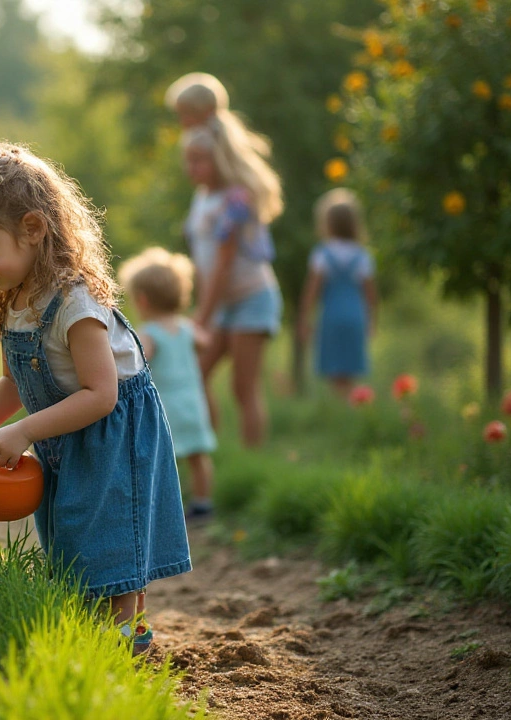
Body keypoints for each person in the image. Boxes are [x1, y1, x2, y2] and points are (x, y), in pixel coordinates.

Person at [0, 141, 190, 656]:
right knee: (73, 540)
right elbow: (12, 383)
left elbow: (101, 394)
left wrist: (26, 430)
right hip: (64, 437)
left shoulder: (76, 303)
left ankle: (129, 646)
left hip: (112, 436)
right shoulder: (14, 301)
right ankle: (92, 637)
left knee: (114, 546)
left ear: (32, 229)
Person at [181, 114, 284, 449]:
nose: (191, 168)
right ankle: (209, 452)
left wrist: (202, 318)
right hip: (221, 302)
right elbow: (204, 262)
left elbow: (223, 266)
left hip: (251, 298)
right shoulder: (201, 198)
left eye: (199, 160)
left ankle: (253, 457)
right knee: (196, 375)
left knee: (244, 386)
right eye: (189, 160)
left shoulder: (235, 199)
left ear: (220, 159)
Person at [120, 248, 217, 520]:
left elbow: (139, 360)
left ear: (142, 300)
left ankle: (162, 508)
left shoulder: (148, 333)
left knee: (162, 458)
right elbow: (206, 342)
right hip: (193, 402)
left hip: (166, 406)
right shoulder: (186, 327)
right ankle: (203, 503)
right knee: (198, 456)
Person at [298, 188, 378, 394]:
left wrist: (304, 319)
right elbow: (370, 294)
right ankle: (353, 408)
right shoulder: (362, 255)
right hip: (355, 315)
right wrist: (372, 322)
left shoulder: (322, 254)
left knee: (334, 372)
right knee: (351, 370)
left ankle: (342, 411)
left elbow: (312, 292)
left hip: (331, 316)